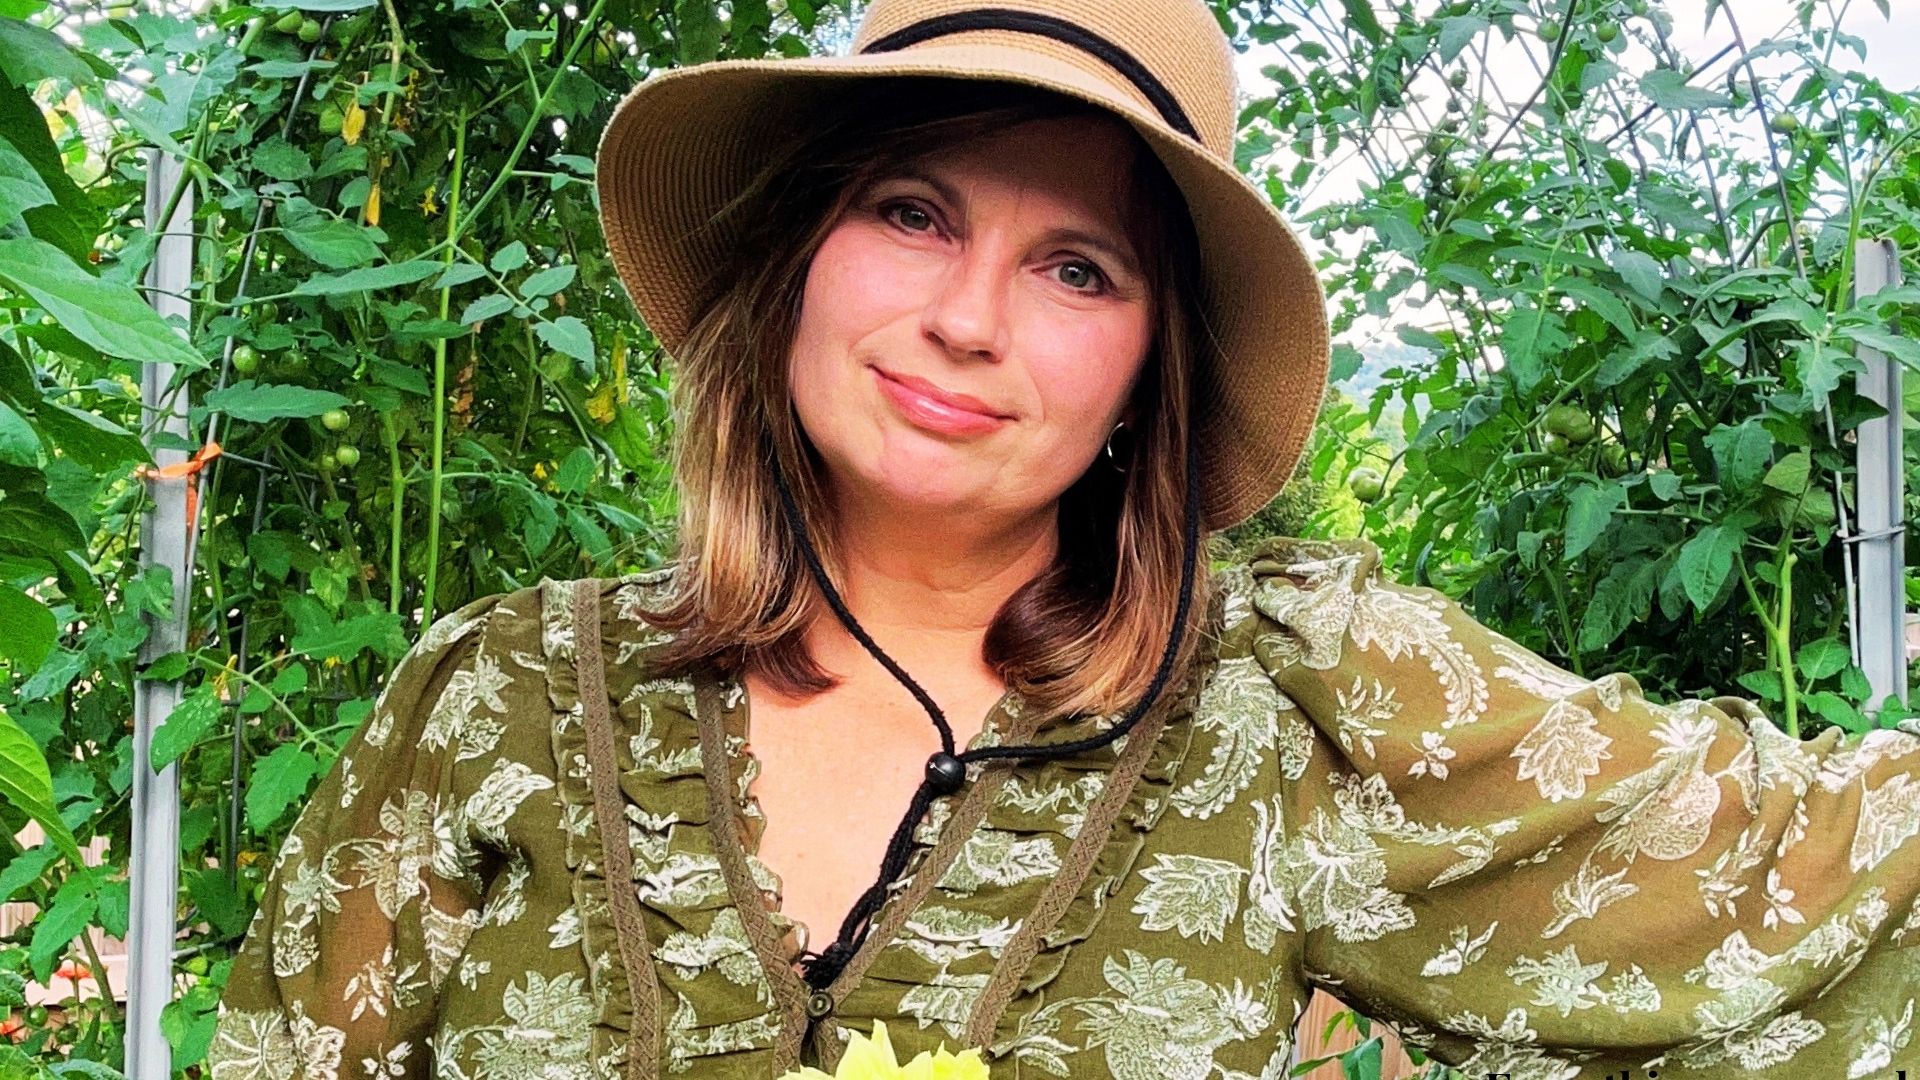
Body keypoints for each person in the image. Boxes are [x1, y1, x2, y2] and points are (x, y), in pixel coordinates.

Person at [207, 0, 1920, 1077]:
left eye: (1077, 267)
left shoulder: (1280, 706)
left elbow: (1816, 871)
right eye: (912, 212)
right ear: (795, 261)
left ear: (1148, 373)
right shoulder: (499, 697)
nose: (967, 319)